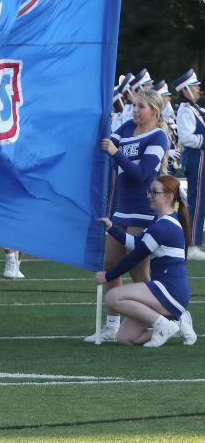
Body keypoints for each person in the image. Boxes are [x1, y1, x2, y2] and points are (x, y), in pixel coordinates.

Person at [86, 89, 169, 342]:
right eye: (133, 105)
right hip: (121, 209)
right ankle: (112, 327)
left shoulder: (158, 137)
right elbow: (105, 140)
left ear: (154, 110)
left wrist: (115, 153)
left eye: (141, 106)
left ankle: (167, 319)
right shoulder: (126, 128)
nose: (135, 110)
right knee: (110, 267)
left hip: (142, 213)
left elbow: (142, 175)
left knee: (138, 275)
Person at [96, 174, 196, 347]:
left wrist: (108, 276)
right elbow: (136, 244)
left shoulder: (163, 226)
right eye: (149, 191)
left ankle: (163, 324)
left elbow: (134, 258)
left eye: (154, 192)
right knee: (124, 338)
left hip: (171, 291)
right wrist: (111, 228)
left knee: (113, 296)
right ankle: (176, 325)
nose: (149, 195)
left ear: (168, 197)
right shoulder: (159, 222)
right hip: (166, 290)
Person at [175, 69, 205, 260]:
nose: (198, 89)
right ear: (186, 90)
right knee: (197, 201)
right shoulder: (185, 110)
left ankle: (193, 242)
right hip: (197, 158)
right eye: (195, 86)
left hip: (200, 157)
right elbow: (186, 138)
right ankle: (192, 244)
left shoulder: (195, 109)